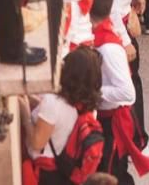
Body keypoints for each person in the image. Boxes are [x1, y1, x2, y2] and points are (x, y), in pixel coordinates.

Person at [90, 0, 149, 183]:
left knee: (112, 174)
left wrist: (94, 92)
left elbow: (127, 92)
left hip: (113, 123)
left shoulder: (109, 48)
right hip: (107, 119)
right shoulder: (101, 37)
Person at [20, 47, 103, 184]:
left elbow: (37, 143)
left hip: (43, 174)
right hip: (60, 172)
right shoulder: (86, 106)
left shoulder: (53, 103)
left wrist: (25, 115)